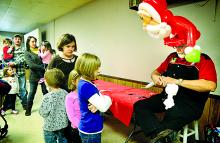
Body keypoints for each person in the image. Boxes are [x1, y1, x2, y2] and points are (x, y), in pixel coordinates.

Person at [134, 45, 217, 143]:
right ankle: (159, 135)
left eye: (181, 46)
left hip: (188, 105)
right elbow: (155, 72)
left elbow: (211, 86)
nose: (177, 50)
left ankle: (160, 135)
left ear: (190, 44)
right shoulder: (172, 57)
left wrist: (177, 81)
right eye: (175, 46)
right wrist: (155, 77)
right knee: (140, 105)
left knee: (171, 116)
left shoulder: (203, 59)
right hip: (166, 98)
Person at [75, 53, 112, 143]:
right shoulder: (86, 86)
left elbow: (99, 99)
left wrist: (99, 102)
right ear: (88, 69)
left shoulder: (85, 82)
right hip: (90, 129)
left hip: (89, 126)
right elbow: (103, 107)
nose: (100, 70)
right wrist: (109, 98)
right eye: (97, 68)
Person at [39, 68, 68, 143]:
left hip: (50, 126)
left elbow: (43, 113)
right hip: (63, 124)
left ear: (47, 82)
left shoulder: (47, 97)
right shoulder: (65, 93)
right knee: (62, 138)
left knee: (50, 140)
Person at [24, 36, 48, 116]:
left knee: (45, 92)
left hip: (42, 75)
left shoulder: (40, 49)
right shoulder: (27, 52)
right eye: (32, 41)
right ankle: (28, 110)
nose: (34, 43)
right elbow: (31, 65)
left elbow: (46, 58)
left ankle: (47, 109)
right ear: (28, 42)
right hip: (33, 75)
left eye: (35, 41)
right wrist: (42, 67)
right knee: (32, 93)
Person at [8, 34, 27, 110]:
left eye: (19, 39)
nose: (17, 40)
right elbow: (5, 57)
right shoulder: (11, 49)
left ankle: (25, 103)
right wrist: (11, 49)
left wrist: (14, 63)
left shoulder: (23, 49)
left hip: (21, 72)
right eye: (15, 39)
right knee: (12, 88)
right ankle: (10, 104)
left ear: (21, 41)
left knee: (22, 88)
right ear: (13, 40)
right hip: (11, 73)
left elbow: (23, 59)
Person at [65, 69, 82, 143]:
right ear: (74, 82)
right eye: (81, 81)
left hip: (87, 127)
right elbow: (71, 116)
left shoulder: (86, 94)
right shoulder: (69, 97)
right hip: (77, 129)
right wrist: (82, 126)